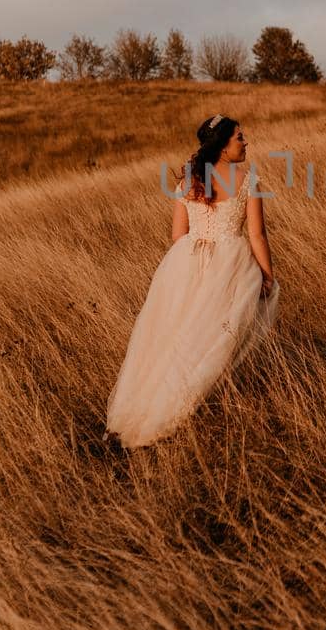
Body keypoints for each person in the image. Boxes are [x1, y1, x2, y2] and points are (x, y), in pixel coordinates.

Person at [105, 114, 280, 450]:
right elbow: (257, 235)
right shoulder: (247, 181)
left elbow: (177, 234)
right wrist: (267, 275)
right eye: (239, 137)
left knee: (174, 337)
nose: (246, 142)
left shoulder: (188, 180)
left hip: (185, 264)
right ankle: (181, 410)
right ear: (224, 145)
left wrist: (191, 266)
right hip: (231, 264)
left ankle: (148, 410)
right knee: (215, 339)